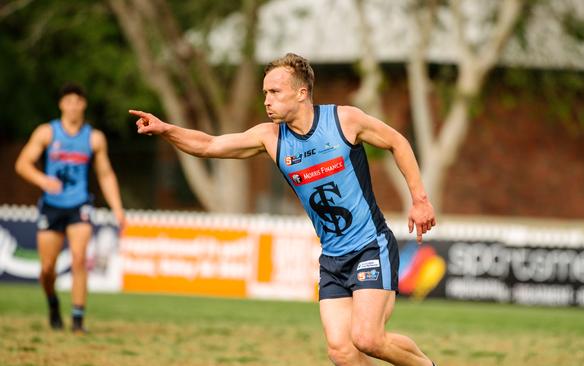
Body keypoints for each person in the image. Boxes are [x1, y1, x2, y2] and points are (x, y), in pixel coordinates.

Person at [130, 53, 437, 366]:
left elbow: (398, 142)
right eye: (265, 93)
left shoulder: (344, 120)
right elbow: (209, 145)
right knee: (342, 352)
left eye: (274, 92)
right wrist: (167, 130)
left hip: (370, 246)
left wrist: (419, 199)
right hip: (332, 258)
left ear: (301, 93)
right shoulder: (270, 137)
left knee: (368, 339)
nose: (266, 100)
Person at [15, 83, 125, 333]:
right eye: (68, 101)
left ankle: (77, 320)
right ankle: (53, 303)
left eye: (78, 101)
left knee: (78, 259)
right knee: (47, 268)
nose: (73, 106)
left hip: (80, 205)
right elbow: (22, 164)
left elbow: (106, 175)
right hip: (52, 207)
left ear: (83, 104)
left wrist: (118, 208)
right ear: (61, 104)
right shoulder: (47, 133)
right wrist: (43, 180)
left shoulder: (94, 138)